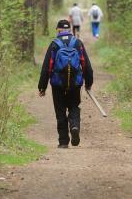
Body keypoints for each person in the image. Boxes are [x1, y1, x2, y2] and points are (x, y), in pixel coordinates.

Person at [38, 20, 94, 148]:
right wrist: (88, 83)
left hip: (57, 84)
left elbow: (47, 67)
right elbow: (86, 65)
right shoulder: (77, 43)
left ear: (58, 30)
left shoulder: (54, 44)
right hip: (75, 83)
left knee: (60, 111)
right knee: (74, 106)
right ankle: (74, 126)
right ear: (69, 30)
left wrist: (42, 86)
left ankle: (63, 141)